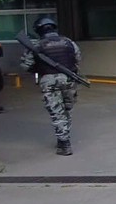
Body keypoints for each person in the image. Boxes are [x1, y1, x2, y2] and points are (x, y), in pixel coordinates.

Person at [20, 17, 81, 156]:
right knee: (67, 110)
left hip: (49, 80)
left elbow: (25, 65)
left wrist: (39, 68)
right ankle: (63, 137)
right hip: (69, 78)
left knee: (57, 112)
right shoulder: (68, 42)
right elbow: (77, 59)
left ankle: (64, 144)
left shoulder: (36, 45)